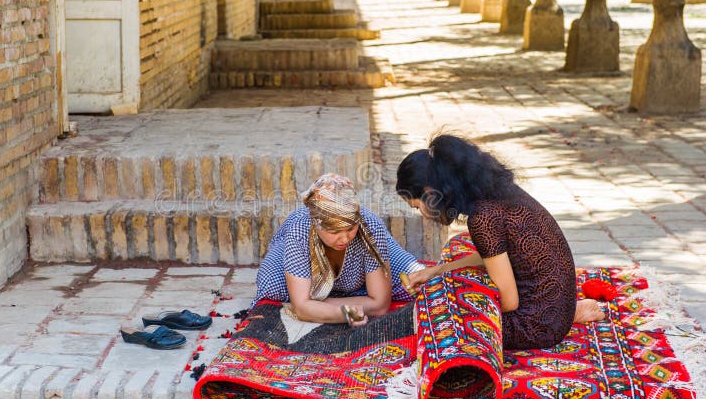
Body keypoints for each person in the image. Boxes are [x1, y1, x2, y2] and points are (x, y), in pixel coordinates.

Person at [396, 134, 604, 350]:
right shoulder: (495, 192)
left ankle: (568, 317)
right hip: (555, 305)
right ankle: (569, 314)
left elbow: (508, 301)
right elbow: (492, 255)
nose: (421, 214)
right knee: (453, 283)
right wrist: (438, 271)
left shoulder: (483, 218)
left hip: (537, 324)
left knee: (442, 319)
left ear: (430, 193)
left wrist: (449, 299)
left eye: (416, 206)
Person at [252, 173, 423, 327]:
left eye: (350, 229)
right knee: (271, 285)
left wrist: (316, 305)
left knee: (416, 279)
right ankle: (347, 294)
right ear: (316, 226)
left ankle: (326, 295)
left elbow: (380, 305)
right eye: (334, 232)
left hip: (367, 250)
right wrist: (343, 312)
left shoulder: (369, 226)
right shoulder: (299, 231)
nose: (344, 238)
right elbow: (301, 308)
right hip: (300, 252)